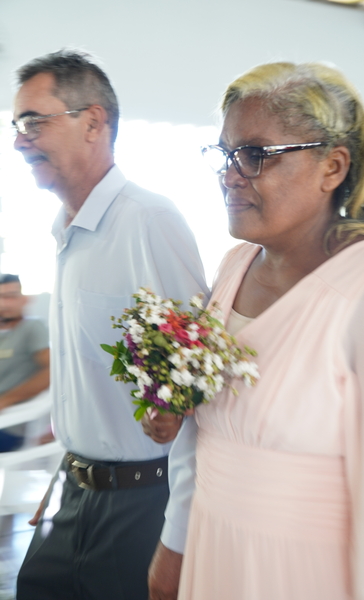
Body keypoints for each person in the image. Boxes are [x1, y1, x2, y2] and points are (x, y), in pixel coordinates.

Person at [148, 62, 364, 600]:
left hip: (303, 571)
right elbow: (208, 435)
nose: (229, 175)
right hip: (213, 547)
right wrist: (175, 545)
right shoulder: (234, 266)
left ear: (332, 167)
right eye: (225, 154)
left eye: (255, 154)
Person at [12, 49, 209, 600]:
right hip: (72, 493)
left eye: (33, 122)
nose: (20, 141)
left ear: (93, 122)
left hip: (140, 505)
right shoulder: (62, 230)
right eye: (17, 125)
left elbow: (200, 368)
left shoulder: (148, 220)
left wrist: (181, 532)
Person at [0, 273, 50, 452]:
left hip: (8, 425)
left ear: (24, 299)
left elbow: (51, 372)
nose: (4, 304)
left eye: (11, 296)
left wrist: (5, 400)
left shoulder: (31, 328)